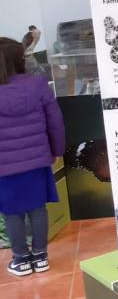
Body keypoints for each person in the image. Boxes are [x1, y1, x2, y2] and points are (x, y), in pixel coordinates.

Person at [0, 38, 64, 277]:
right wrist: (56, 150)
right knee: (38, 208)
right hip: (37, 160)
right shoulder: (38, 85)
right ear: (19, 59)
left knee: (12, 212)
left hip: (4, 168)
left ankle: (21, 260)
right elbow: (55, 123)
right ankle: (41, 257)